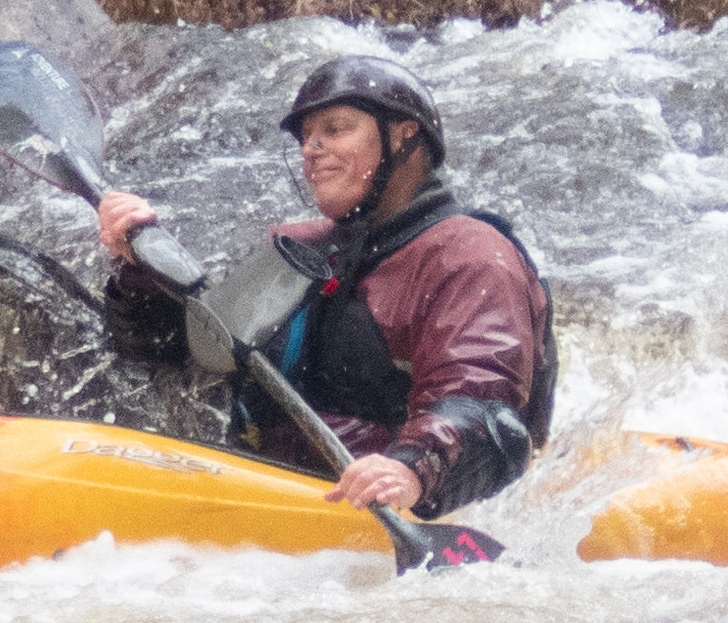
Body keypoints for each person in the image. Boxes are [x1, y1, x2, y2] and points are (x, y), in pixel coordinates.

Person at [95, 54, 555, 519]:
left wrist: (413, 470)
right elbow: (179, 354)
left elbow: (483, 408)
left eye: (336, 129)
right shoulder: (301, 249)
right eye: (306, 137)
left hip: (390, 509)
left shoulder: (473, 257)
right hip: (275, 494)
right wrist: (141, 268)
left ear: (403, 135)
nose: (311, 149)